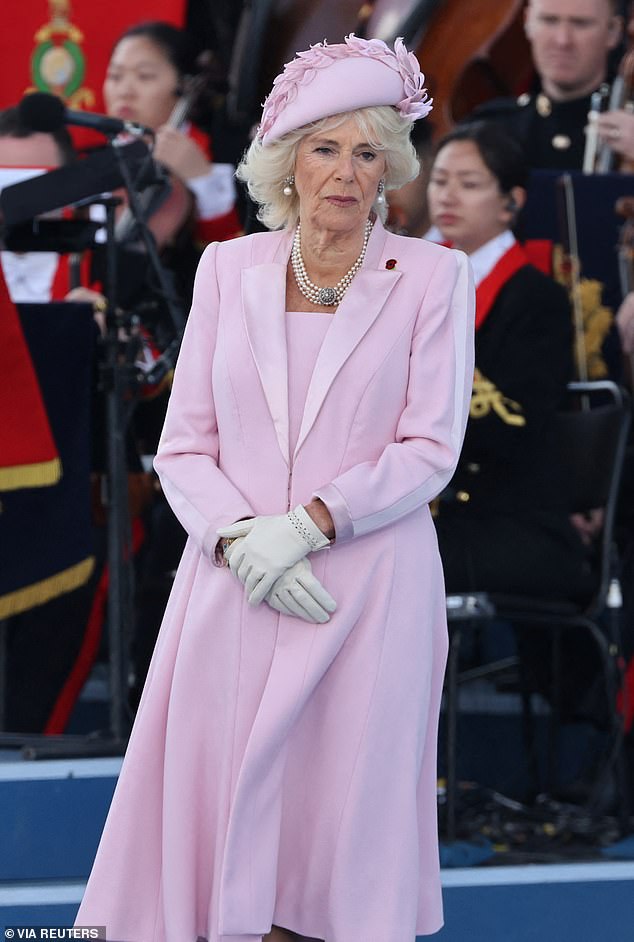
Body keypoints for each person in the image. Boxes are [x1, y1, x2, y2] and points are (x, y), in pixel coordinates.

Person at [75, 34, 475, 942]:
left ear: (393, 166)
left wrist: (310, 525)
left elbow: (430, 447)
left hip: (362, 594)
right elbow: (182, 448)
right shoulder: (227, 269)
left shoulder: (432, 278)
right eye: (325, 147)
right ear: (287, 161)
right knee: (225, 854)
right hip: (235, 587)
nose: (345, 171)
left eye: (368, 150)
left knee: (333, 858)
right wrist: (237, 538)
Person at [427, 121, 592, 600]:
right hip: (437, 507)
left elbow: (511, 425)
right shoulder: (413, 279)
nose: (449, 196)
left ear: (512, 202)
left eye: (470, 184)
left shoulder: (537, 298)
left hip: (506, 515)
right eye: (440, 181)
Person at [103, 19, 240, 246]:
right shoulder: (95, 155)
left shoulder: (222, 153)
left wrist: (201, 178)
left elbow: (232, 254)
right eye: (115, 76)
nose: (124, 91)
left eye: (144, 76)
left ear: (184, 84)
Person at [472, 0, 624, 170]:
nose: (563, 40)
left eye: (581, 23)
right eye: (549, 20)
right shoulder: (490, 128)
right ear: (527, 21)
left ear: (612, 31)